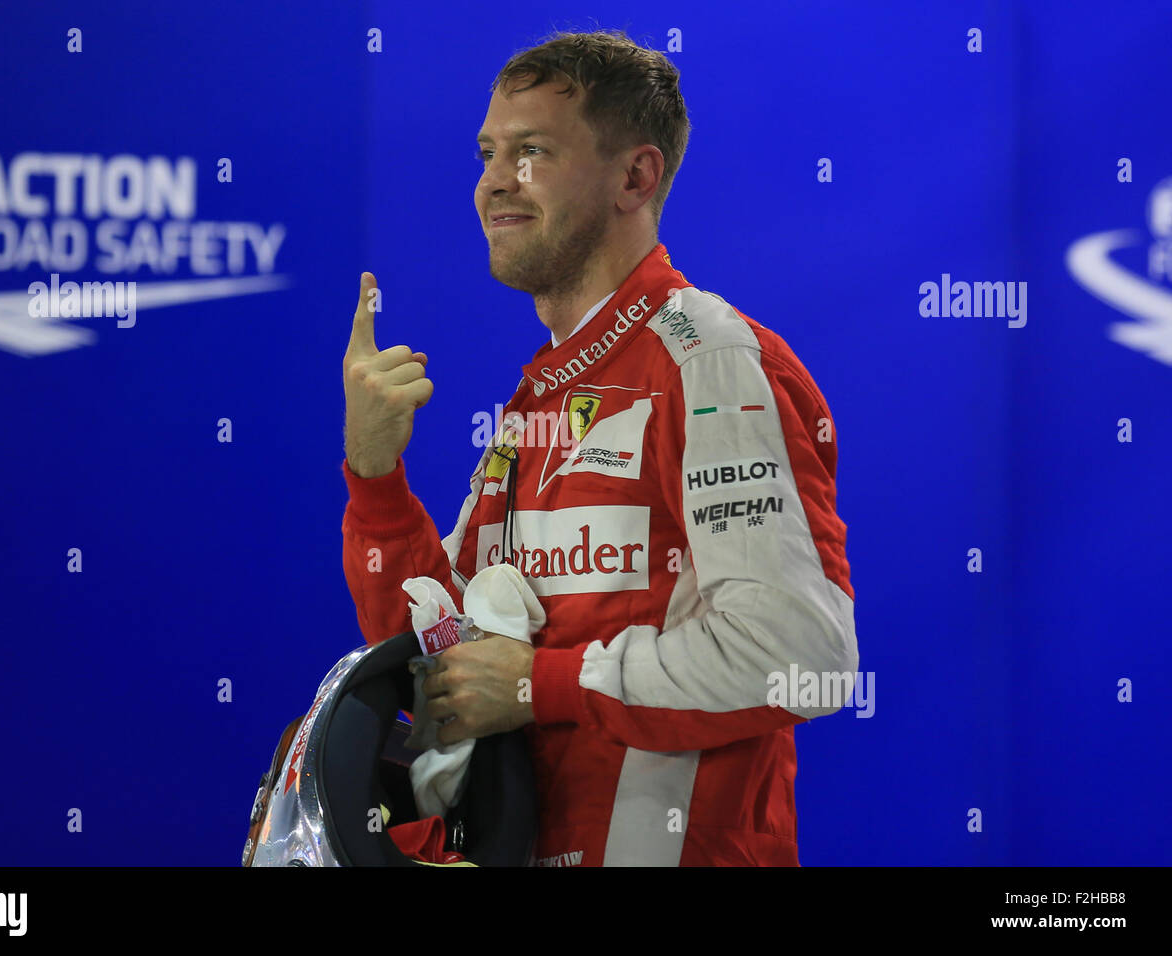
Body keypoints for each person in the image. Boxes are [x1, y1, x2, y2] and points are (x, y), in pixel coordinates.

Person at [340, 29, 857, 867]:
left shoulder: (708, 358)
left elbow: (802, 654)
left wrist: (534, 686)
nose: (493, 183)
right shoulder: (541, 394)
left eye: (533, 151)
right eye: (487, 153)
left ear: (635, 176)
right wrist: (375, 479)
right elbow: (435, 666)